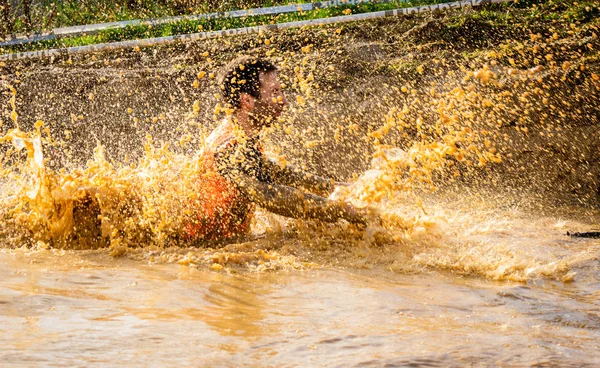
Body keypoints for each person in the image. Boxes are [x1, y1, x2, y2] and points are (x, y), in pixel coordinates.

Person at [185, 56, 376, 242]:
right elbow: (266, 195)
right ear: (247, 101)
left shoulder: (240, 136)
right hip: (203, 250)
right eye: (275, 92)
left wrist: (338, 188)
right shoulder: (229, 147)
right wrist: (341, 210)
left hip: (221, 245)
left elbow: (275, 172)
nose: (283, 101)